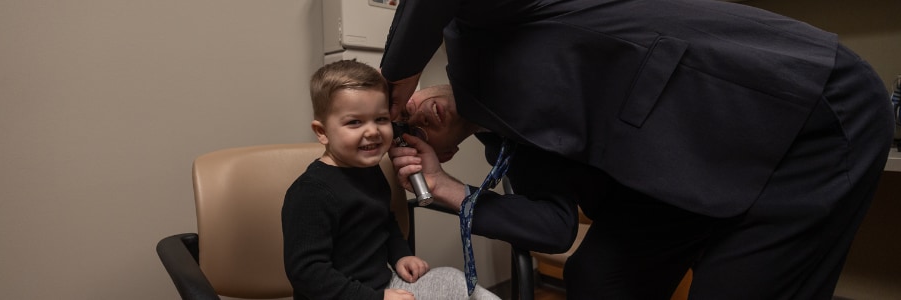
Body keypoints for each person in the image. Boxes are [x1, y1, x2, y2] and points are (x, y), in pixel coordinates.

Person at [381, 0, 895, 299]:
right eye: (414, 134)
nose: (414, 117)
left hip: (802, 110)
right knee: (599, 279)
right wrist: (447, 191)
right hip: (691, 176)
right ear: (442, 153)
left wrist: (389, 77)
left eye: (405, 110)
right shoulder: (509, 145)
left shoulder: (473, 31)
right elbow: (553, 228)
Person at [281, 59, 500, 300]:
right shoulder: (311, 192)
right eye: (355, 122)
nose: (373, 131)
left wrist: (401, 255)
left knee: (454, 282)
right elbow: (307, 273)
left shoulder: (371, 170)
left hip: (385, 286)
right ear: (322, 132)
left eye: (381, 119)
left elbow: (384, 220)